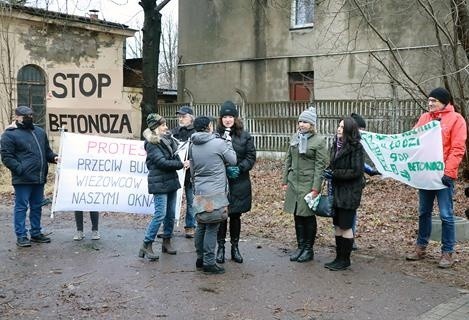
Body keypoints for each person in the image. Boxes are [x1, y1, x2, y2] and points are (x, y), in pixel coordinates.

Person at [406, 87, 467, 268]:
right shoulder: (425, 118)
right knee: (423, 212)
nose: (430, 103)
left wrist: (449, 173)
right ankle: (421, 247)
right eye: (429, 100)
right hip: (426, 174)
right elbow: (412, 139)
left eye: (434, 100)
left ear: (444, 102)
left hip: (443, 177)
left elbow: (457, 148)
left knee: (446, 215)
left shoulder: (456, 120)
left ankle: (447, 252)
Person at [1, 106, 58, 247]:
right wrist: (20, 170)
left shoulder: (39, 132)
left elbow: (47, 152)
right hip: (22, 179)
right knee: (21, 207)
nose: (29, 118)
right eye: (26, 116)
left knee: (37, 206)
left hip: (39, 177)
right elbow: (7, 157)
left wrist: (55, 158)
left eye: (31, 116)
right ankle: (21, 235)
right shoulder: (9, 134)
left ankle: (36, 233)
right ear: (17, 117)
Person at [138, 113, 189, 261]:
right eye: (162, 125)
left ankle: (166, 241)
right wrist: (180, 164)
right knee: (160, 214)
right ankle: (146, 244)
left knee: (170, 214)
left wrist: (178, 159)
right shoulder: (151, 143)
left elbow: (173, 157)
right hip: (159, 182)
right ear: (155, 127)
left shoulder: (167, 141)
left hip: (170, 180)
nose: (166, 127)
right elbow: (162, 162)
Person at [190, 116, 237, 274]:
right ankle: (209, 263)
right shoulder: (218, 143)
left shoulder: (193, 144)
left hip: (200, 190)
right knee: (212, 226)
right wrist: (228, 143)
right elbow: (233, 160)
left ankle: (200, 258)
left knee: (201, 225)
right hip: (215, 192)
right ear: (208, 127)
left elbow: (192, 167)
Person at [282, 107, 329, 263]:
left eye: (305, 122)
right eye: (300, 121)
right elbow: (288, 159)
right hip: (294, 183)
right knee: (297, 215)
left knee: (307, 217)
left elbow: (320, 166)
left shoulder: (319, 141)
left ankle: (308, 249)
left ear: (312, 124)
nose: (301, 124)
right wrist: (285, 180)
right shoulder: (295, 137)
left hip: (308, 184)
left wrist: (316, 188)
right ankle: (300, 246)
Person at [215, 101, 257, 264]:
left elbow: (251, 156)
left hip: (239, 181)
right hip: (220, 181)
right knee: (221, 216)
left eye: (230, 116)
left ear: (235, 118)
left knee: (235, 216)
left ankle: (235, 248)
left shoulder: (244, 136)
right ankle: (220, 248)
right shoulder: (216, 135)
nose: (227, 119)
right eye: (225, 116)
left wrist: (240, 168)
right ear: (221, 118)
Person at [324, 117, 365, 271]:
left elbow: (356, 171)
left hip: (349, 193)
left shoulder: (356, 147)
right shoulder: (335, 145)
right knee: (337, 226)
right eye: (338, 126)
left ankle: (345, 260)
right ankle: (338, 257)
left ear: (349, 129)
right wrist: (328, 171)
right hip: (336, 191)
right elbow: (333, 164)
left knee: (346, 226)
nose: (339, 129)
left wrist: (334, 174)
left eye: (342, 127)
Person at [350, 112, 381, 251]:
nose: (362, 133)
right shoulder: (344, 142)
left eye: (363, 130)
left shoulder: (359, 143)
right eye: (360, 129)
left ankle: (350, 238)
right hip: (343, 185)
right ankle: (344, 239)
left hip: (355, 185)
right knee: (342, 213)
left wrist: (372, 171)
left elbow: (361, 162)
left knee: (352, 212)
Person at [171, 105, 196, 238]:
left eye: (184, 116)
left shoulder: (196, 133)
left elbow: (200, 151)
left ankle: (190, 226)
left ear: (191, 118)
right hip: (176, 172)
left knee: (192, 201)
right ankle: (169, 225)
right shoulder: (173, 132)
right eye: (179, 116)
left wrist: (191, 162)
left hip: (191, 173)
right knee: (173, 200)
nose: (181, 119)